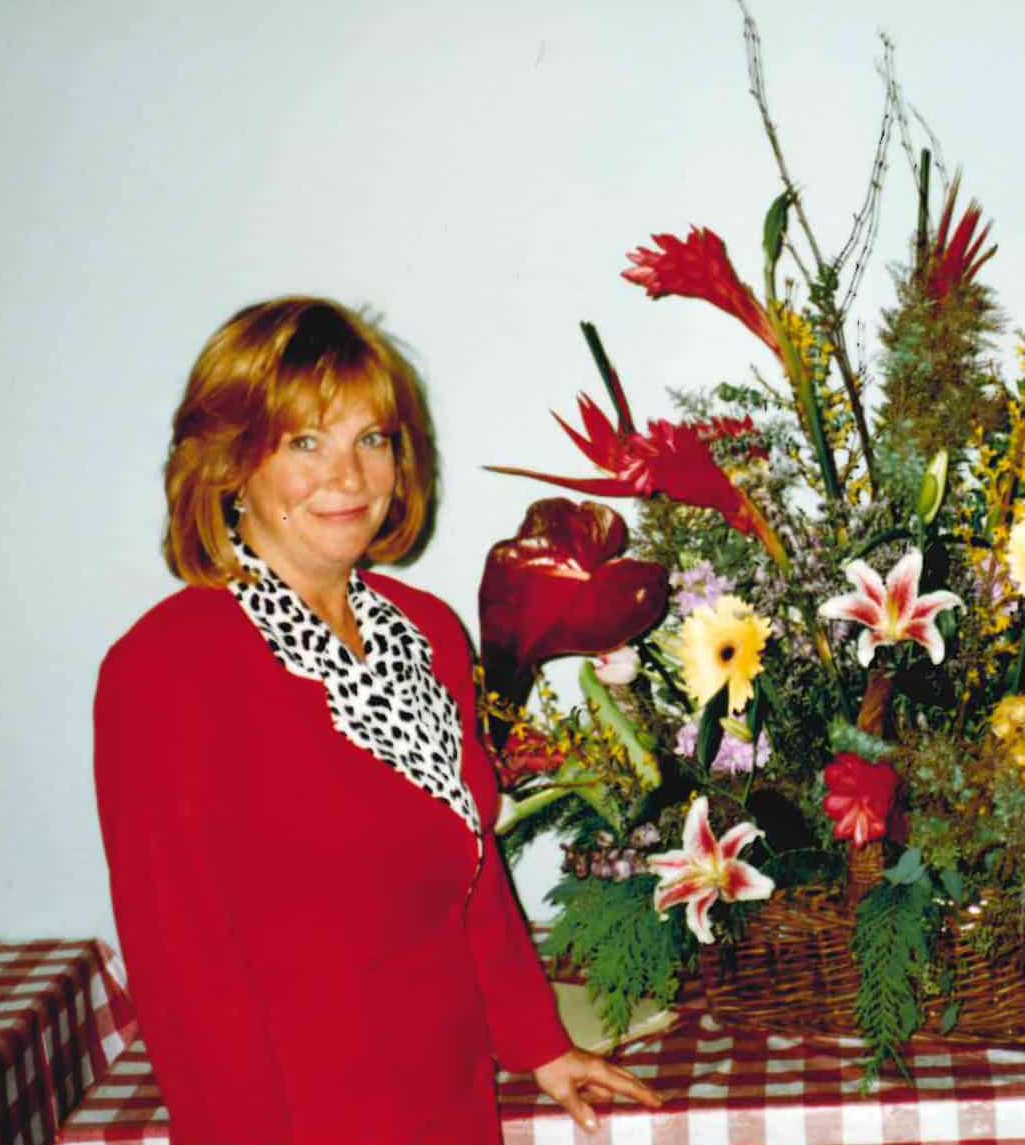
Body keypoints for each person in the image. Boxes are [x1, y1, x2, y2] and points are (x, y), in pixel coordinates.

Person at [93, 297, 661, 1144]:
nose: (350, 476)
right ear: (228, 464)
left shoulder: (427, 632)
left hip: (448, 1099)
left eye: (373, 438)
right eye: (305, 442)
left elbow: (469, 868)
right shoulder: (164, 670)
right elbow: (185, 977)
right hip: (295, 1118)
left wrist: (539, 1044)